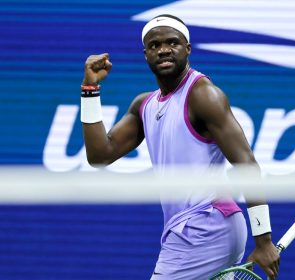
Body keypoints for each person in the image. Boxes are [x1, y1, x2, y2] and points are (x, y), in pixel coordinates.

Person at [80, 14, 280, 279]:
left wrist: (264, 240)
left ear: (187, 49)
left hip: (206, 226)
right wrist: (90, 88)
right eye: (154, 45)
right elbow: (99, 155)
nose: (163, 50)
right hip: (191, 227)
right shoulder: (145, 105)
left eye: (172, 42)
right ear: (145, 54)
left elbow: (247, 164)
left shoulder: (203, 95)